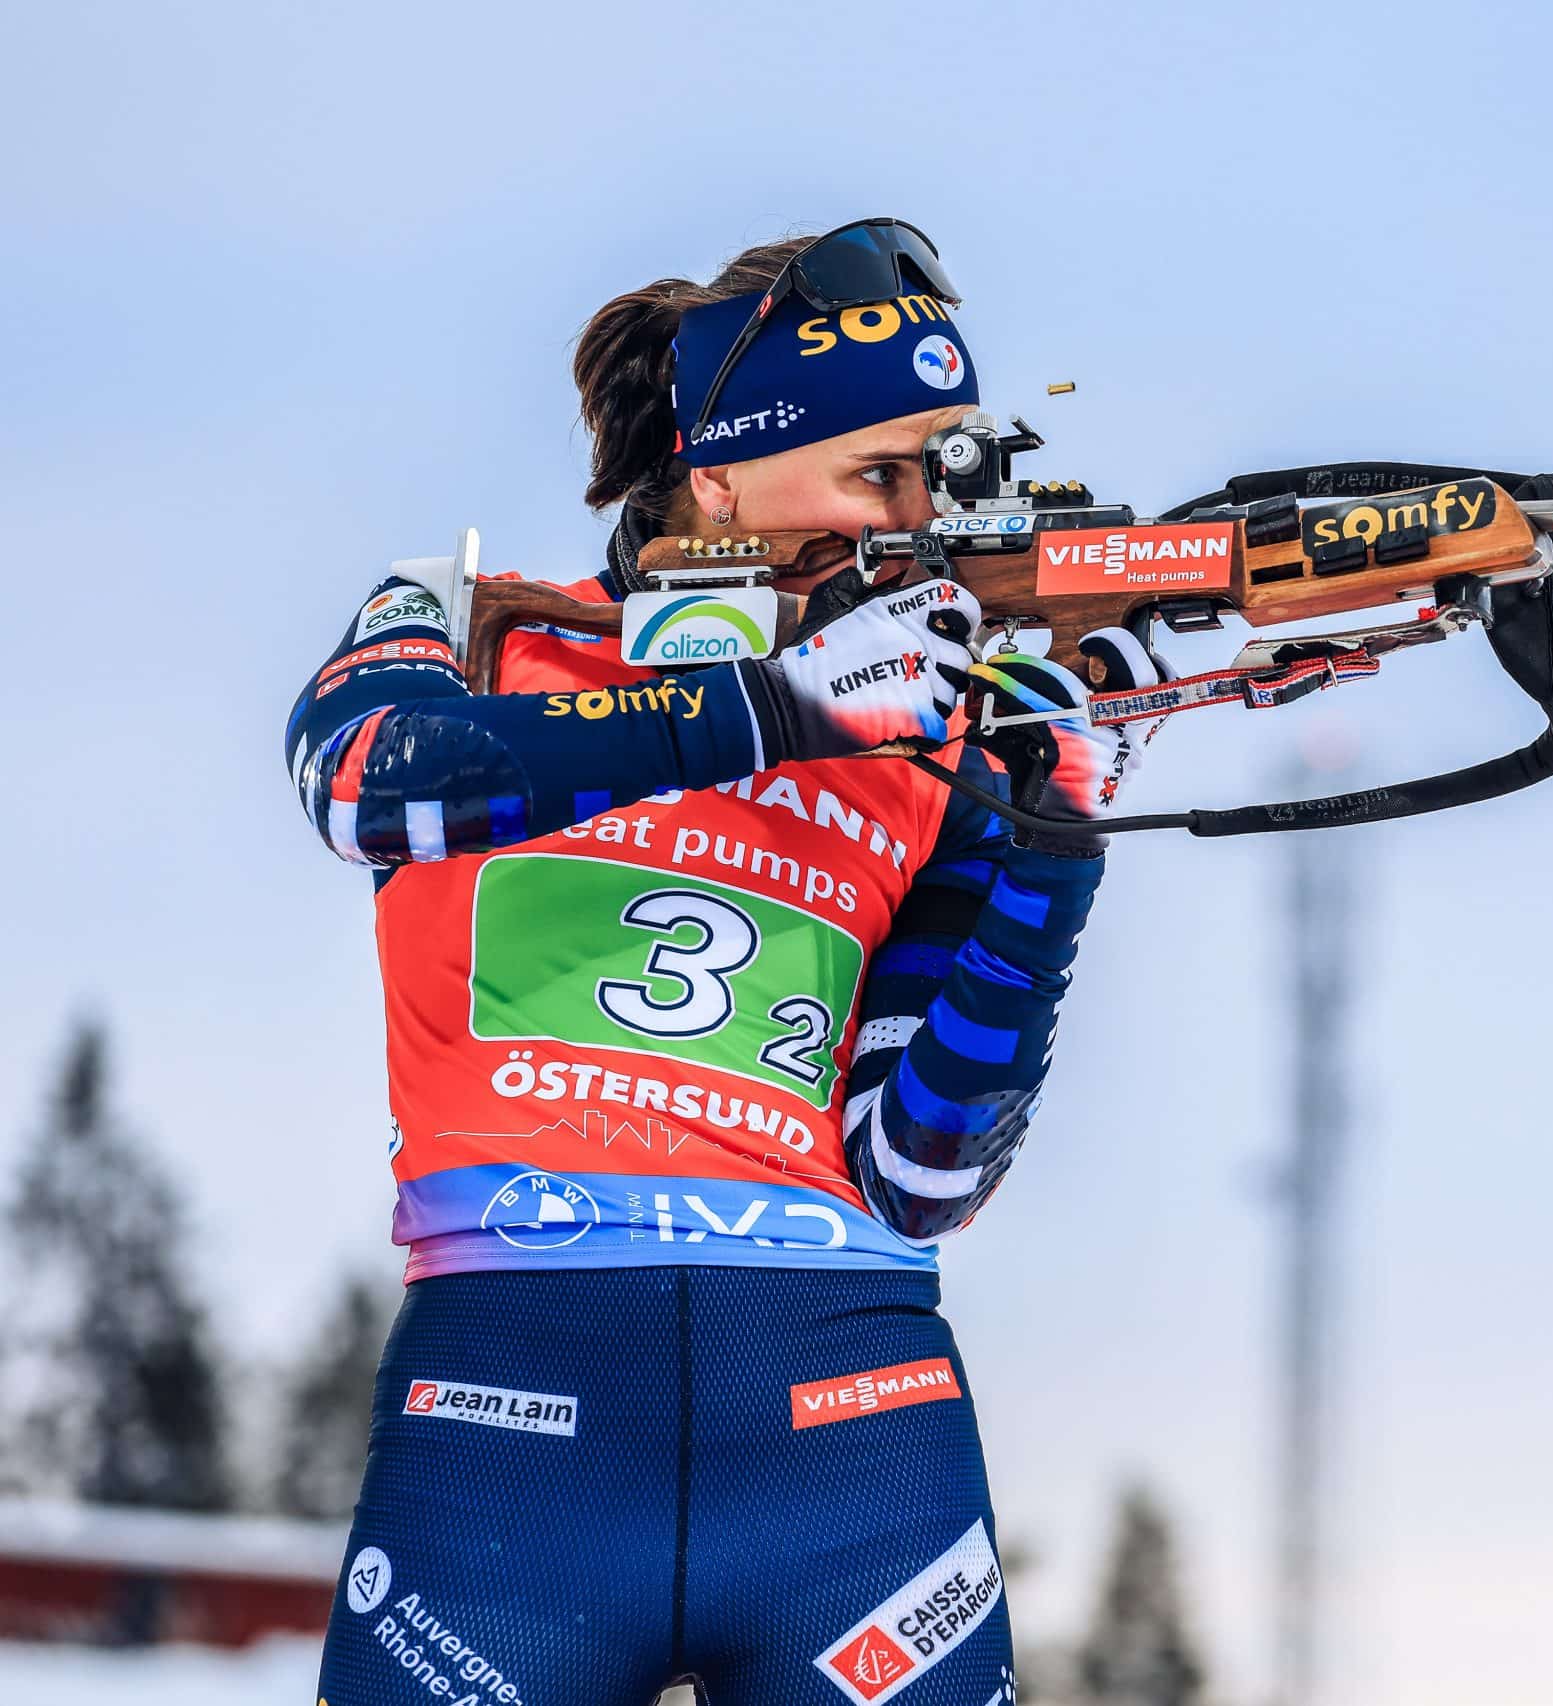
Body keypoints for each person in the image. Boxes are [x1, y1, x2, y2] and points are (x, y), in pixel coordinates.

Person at [285, 219, 1161, 1705]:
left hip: (853, 1431)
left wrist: (1055, 838)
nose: (922, 518)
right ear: (718, 477)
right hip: (510, 1428)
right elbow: (362, 774)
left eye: (945, 472)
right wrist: (776, 709)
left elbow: (922, 1171)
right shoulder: (482, 629)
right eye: (880, 473)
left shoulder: (931, 736)